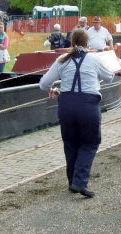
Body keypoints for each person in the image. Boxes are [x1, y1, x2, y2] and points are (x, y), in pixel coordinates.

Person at [39, 29, 116, 198]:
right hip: (88, 106)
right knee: (90, 143)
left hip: (66, 106)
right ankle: (80, 182)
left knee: (70, 143)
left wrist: (53, 89)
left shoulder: (61, 60)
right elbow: (110, 77)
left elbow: (43, 84)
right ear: (88, 44)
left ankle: (72, 181)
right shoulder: (94, 59)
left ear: (72, 42)